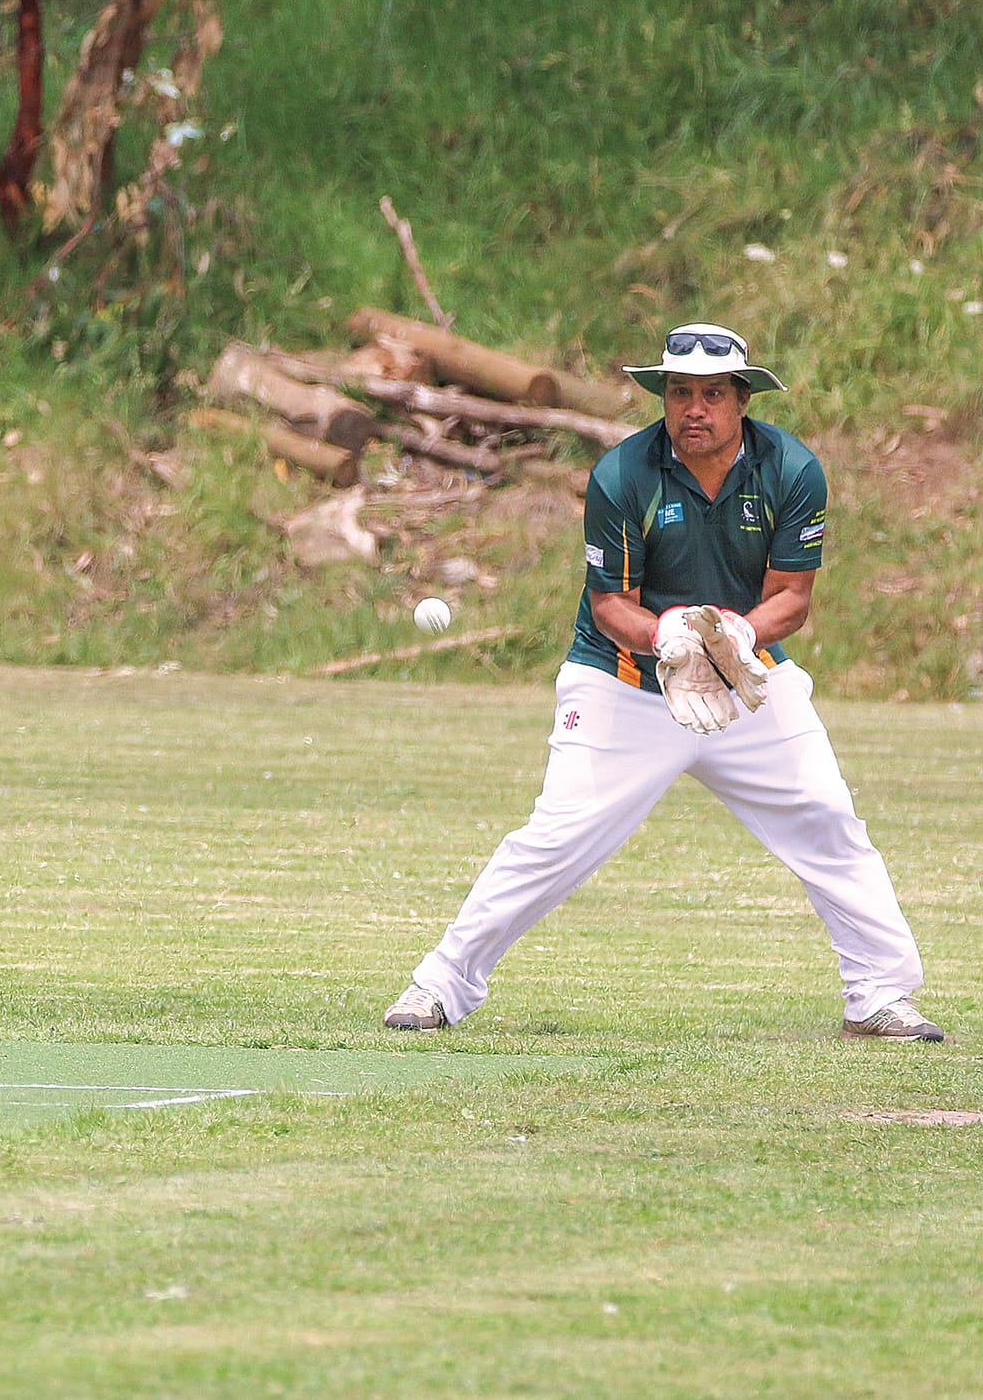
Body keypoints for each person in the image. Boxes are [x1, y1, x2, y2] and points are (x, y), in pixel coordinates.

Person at [382, 321, 943, 1042]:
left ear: (743, 400)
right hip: (623, 685)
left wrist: (736, 634)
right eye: (680, 392)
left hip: (746, 684)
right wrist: (667, 636)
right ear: (664, 397)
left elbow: (792, 599)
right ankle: (438, 986)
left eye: (712, 394)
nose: (694, 409)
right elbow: (611, 602)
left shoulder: (792, 471)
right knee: (555, 839)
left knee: (828, 818)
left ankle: (878, 996)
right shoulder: (623, 475)